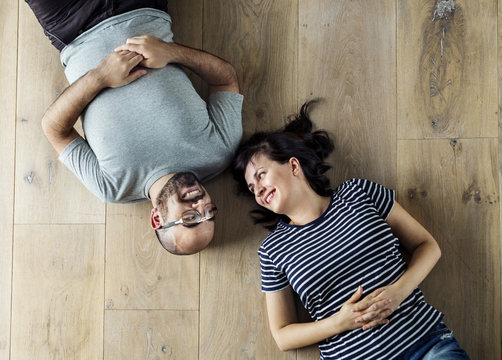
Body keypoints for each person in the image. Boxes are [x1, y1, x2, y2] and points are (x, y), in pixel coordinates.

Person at [231, 101, 469, 359]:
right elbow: (282, 335)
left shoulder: (359, 192)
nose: (259, 189)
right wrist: (340, 322)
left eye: (261, 175)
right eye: (252, 188)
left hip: (425, 345)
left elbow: (427, 246)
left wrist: (398, 292)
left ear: (293, 166)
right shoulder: (272, 250)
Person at [25, 1, 243, 255]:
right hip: (143, 7)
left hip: (71, 24)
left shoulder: (112, 187)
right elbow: (226, 80)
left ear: (157, 220)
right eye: (209, 213)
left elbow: (54, 129)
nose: (201, 205)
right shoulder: (220, 152)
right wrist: (171, 52)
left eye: (191, 219)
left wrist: (100, 77)